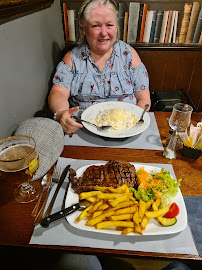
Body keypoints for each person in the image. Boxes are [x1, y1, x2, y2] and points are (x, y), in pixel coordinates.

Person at [48, 0, 151, 134]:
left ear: (116, 27)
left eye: (109, 25)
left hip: (127, 129)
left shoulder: (129, 55)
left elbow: (144, 97)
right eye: (96, 25)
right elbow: (58, 93)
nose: (104, 33)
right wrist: (62, 113)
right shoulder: (72, 59)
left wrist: (134, 124)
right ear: (84, 29)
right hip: (83, 129)